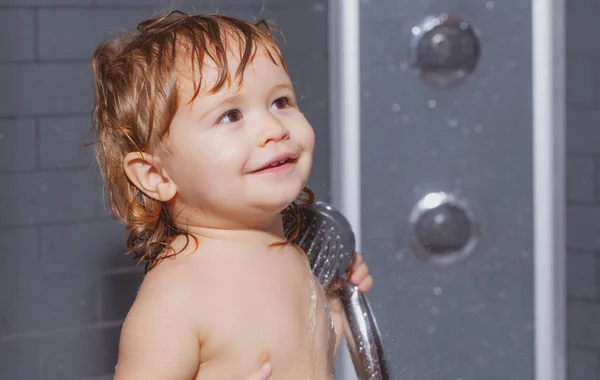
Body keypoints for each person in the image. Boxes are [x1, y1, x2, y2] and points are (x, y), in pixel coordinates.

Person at [90, 10, 373, 380]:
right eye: (230, 116)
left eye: (281, 102)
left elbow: (309, 364)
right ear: (157, 175)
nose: (273, 128)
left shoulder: (298, 257)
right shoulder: (177, 299)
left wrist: (336, 305)